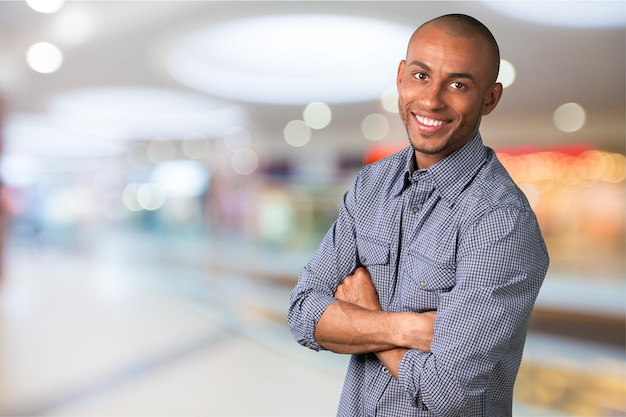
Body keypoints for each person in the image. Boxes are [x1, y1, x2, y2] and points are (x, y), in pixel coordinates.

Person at [287, 13, 549, 417]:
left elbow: (445, 392)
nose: (431, 100)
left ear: (490, 98)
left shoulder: (500, 222)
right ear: (400, 77)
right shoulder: (371, 185)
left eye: (458, 84)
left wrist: (364, 317)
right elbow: (304, 312)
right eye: (421, 76)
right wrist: (403, 327)